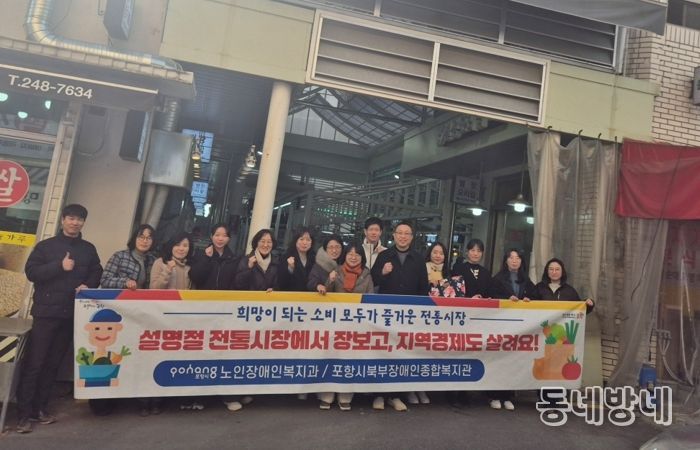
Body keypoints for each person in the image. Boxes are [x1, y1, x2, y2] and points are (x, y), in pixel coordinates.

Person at [16, 204, 103, 434]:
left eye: (79, 219)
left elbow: (97, 271)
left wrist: (88, 284)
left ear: (83, 223)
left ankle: (40, 409)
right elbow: (32, 272)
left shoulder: (88, 249)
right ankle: (23, 414)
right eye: (71, 218)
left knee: (53, 365)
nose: (75, 223)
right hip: (45, 314)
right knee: (35, 364)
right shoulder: (46, 247)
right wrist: (59, 266)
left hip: (70, 314)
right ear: (63, 220)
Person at [371, 221, 430, 412]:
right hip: (386, 315)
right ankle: (379, 394)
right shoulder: (384, 256)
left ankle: (396, 395)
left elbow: (423, 288)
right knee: (383, 353)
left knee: (401, 354)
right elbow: (372, 280)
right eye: (400, 233)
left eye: (407, 233)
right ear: (394, 235)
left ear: (411, 237)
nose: (403, 236)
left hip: (409, 316)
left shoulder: (418, 259)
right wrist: (383, 272)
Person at [99, 224, 158, 417]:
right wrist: (124, 282)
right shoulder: (120, 256)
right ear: (134, 238)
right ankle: (105, 401)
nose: (145, 241)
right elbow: (105, 280)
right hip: (120, 315)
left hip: (144, 316)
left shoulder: (154, 260)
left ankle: (140, 400)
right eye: (141, 236)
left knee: (140, 357)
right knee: (115, 355)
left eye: (149, 237)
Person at [318, 241, 374, 411]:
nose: (353, 257)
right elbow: (325, 294)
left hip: (357, 325)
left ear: (362, 257)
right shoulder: (336, 271)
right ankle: (327, 395)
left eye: (357, 254)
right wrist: (329, 281)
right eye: (350, 253)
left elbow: (371, 298)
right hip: (336, 325)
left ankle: (345, 396)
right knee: (332, 358)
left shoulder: (367, 274)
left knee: (350, 360)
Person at [486, 248, 537, 411]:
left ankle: (507, 396)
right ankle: (494, 395)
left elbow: (535, 296)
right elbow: (491, 297)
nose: (514, 261)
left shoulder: (526, 279)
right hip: (500, 326)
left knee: (512, 362)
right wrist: (507, 300)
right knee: (498, 361)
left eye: (518, 258)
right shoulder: (497, 278)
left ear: (521, 261)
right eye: (511, 257)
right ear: (506, 260)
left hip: (518, 328)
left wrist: (528, 299)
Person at [189, 223, 239, 290]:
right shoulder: (200, 254)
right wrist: (206, 258)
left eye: (224, 236)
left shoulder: (233, 259)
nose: (220, 239)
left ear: (229, 238)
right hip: (204, 296)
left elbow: (235, 284)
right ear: (211, 236)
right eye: (217, 235)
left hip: (223, 296)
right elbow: (194, 277)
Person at [277, 227, 315, 292]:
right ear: (295, 241)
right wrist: (290, 269)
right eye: (301, 239)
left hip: (309, 297)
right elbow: (281, 284)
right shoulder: (285, 257)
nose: (304, 243)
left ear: (311, 242)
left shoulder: (314, 259)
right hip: (291, 296)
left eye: (308, 240)